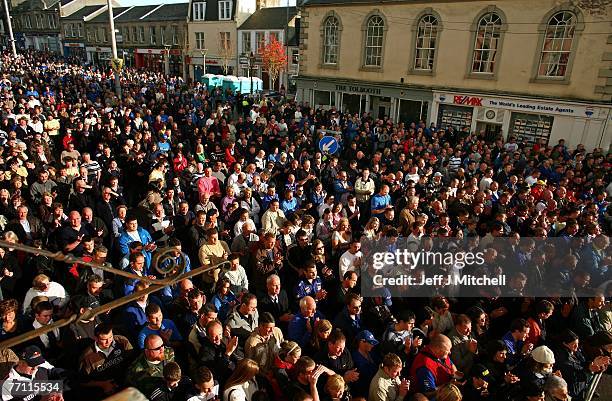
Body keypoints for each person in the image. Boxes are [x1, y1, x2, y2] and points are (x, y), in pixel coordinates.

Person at [78, 322, 135, 398]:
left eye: (110, 337)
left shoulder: (122, 341)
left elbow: (134, 360)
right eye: (104, 339)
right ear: (96, 338)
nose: (109, 342)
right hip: (104, 391)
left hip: (127, 382)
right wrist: (103, 384)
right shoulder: (87, 357)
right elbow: (82, 381)